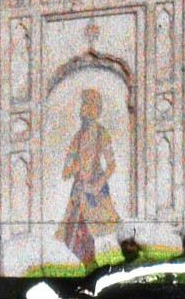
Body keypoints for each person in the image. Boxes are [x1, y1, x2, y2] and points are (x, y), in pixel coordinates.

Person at [57, 89, 120, 267]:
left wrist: (97, 185)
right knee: (72, 232)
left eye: (89, 104)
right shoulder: (77, 137)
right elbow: (65, 172)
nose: (84, 109)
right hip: (79, 191)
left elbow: (112, 165)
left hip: (96, 190)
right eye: (84, 104)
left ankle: (102, 269)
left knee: (101, 233)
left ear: (96, 109)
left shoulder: (102, 133)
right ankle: (90, 268)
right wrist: (73, 166)